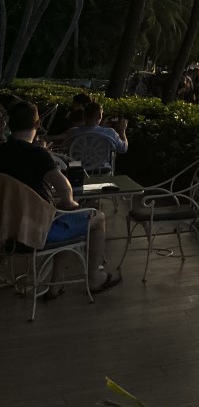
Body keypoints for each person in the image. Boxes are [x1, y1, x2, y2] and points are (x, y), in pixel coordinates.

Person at [0, 101, 119, 295]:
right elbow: (65, 191)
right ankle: (95, 278)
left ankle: (57, 283)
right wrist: (72, 203)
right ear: (37, 125)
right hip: (39, 232)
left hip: (9, 233)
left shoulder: (2, 152)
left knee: (61, 217)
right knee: (96, 217)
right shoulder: (38, 155)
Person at [64, 101, 129, 154]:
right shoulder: (110, 133)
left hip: (76, 167)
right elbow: (123, 149)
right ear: (100, 117)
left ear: (84, 115)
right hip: (102, 168)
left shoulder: (72, 132)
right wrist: (122, 131)